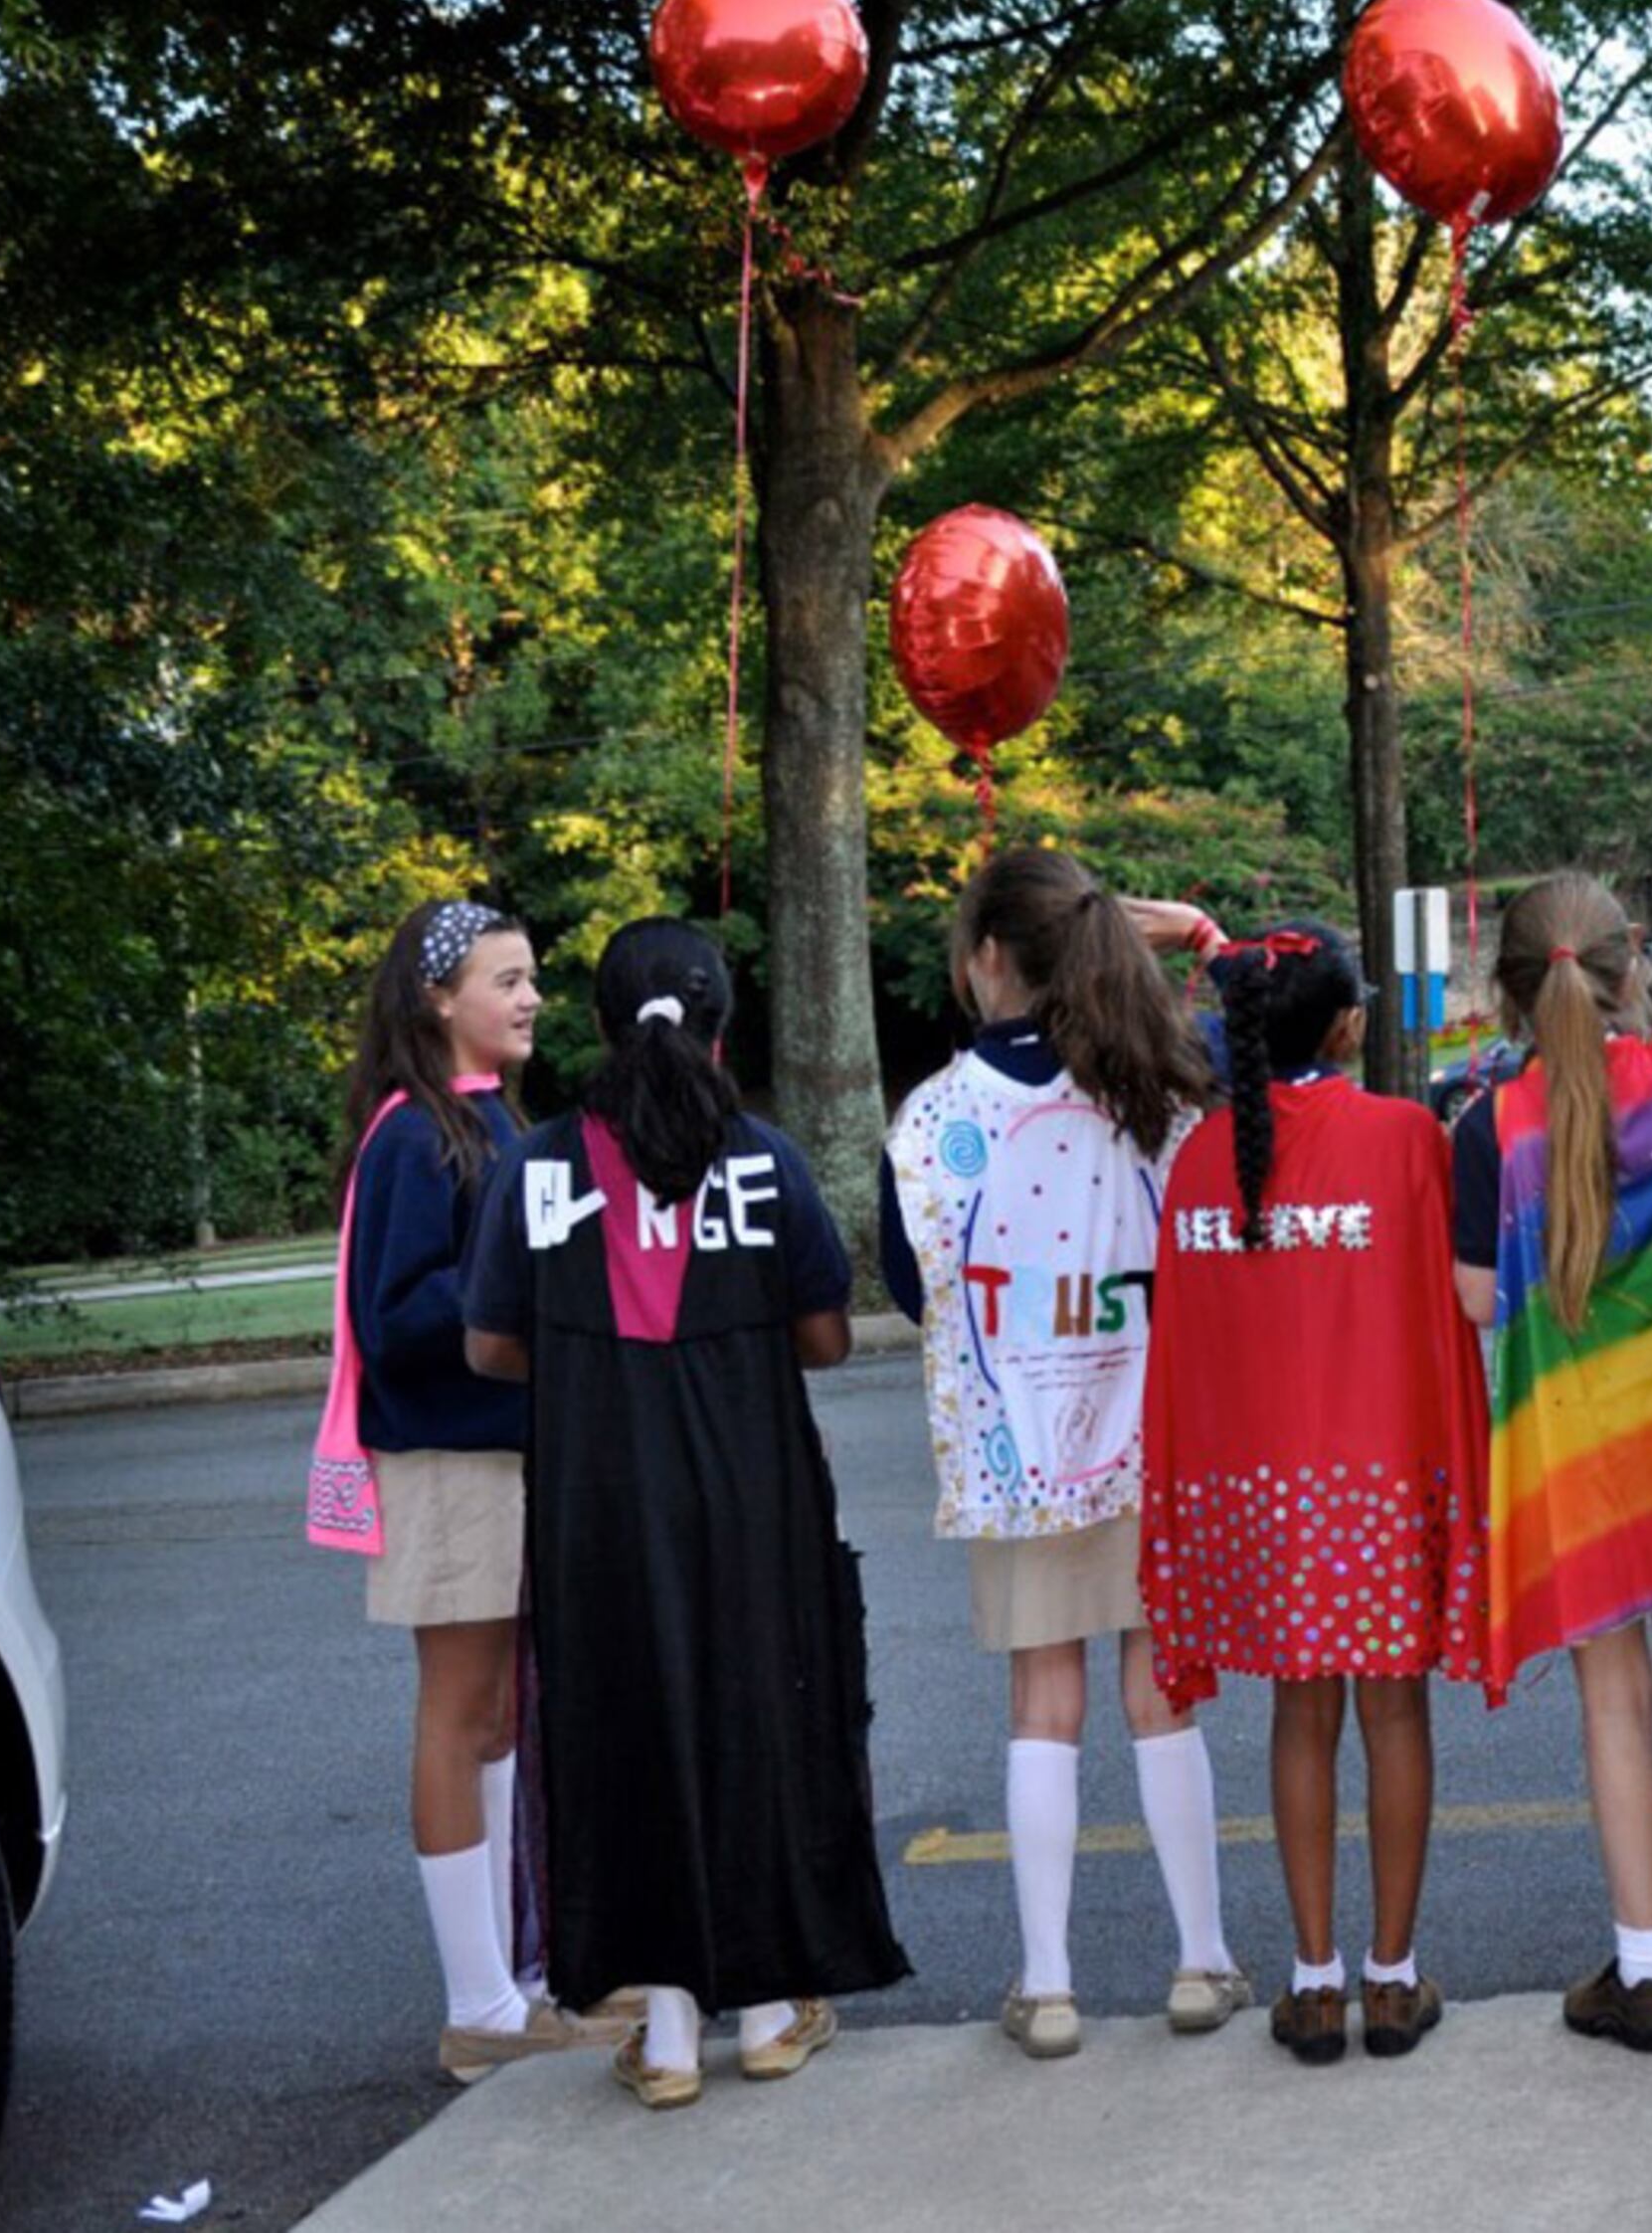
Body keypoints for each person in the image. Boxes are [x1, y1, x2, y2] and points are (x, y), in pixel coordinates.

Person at [460, 919, 908, 2110]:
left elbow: (490, 1343)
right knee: (758, 1713)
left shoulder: (539, 1166)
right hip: (752, 1490)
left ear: (600, 1027)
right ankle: (767, 2011)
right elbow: (825, 1334)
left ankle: (663, 2037)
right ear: (721, 1029)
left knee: (624, 1728)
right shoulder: (763, 1157)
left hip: (594, 1498)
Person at [877, 850, 1246, 2059]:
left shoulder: (935, 1117)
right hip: (1159, 1438)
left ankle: (1048, 1986)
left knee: (1043, 1702)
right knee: (1162, 1695)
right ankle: (1201, 1959)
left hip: (1016, 1454)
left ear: (987, 958)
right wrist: (1186, 930)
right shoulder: (1164, 1088)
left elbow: (906, 1283)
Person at [1142, 923, 1497, 2067]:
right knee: (1394, 1715)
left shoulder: (1202, 1159)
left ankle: (1311, 1981)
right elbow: (1448, 1310)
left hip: (1255, 1493)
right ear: (1349, 1025)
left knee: (1301, 1719)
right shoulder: (1403, 1138)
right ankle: (1391, 1981)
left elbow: (1184, 1348)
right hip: (1380, 1476)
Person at [1451, 860, 1652, 2054]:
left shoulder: (1489, 1127)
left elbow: (1481, 1305)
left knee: (1615, 1704)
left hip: (1578, 1465)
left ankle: (1642, 1974)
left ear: (1507, 994)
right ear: (1621, 968)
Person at [321, 896, 607, 2086]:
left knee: (496, 1719)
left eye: (533, 976)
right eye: (506, 980)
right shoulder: (411, 1136)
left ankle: (514, 1981)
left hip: (510, 1458)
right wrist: (526, 1278)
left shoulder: (495, 1123)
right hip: (450, 1464)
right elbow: (396, 1320)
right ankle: (477, 2002)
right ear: (439, 1000)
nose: (531, 997)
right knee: (458, 1712)